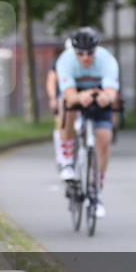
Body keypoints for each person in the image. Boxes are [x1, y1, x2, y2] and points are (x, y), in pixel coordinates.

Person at [55, 27, 120, 218]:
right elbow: (68, 94)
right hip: (75, 94)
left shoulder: (107, 61)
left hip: (99, 95)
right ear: (74, 52)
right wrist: (77, 97)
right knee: (66, 109)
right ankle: (67, 161)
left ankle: (96, 190)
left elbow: (111, 91)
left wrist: (106, 97)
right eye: (80, 54)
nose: (85, 57)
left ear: (96, 50)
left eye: (89, 53)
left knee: (104, 139)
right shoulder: (65, 60)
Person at [46, 39, 73, 174]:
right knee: (60, 124)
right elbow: (51, 79)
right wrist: (52, 98)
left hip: (78, 97)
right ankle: (62, 157)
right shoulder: (60, 61)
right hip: (62, 96)